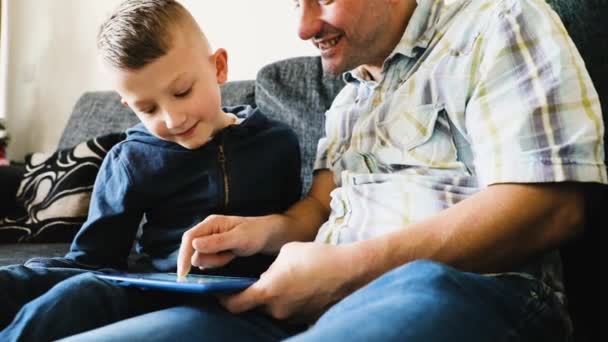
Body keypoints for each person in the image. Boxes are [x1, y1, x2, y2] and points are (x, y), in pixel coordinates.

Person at [60, 0, 605, 341]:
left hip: (462, 290)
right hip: (307, 298)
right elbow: (318, 207)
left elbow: (550, 210)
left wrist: (346, 268)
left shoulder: (501, 22)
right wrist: (260, 232)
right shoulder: (350, 96)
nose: (302, 26)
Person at [0, 0, 301, 340]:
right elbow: (94, 260)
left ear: (218, 67)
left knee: (74, 300)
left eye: (182, 92)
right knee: (72, 297)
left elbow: (298, 229)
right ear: (129, 106)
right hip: (149, 289)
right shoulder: (130, 159)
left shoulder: (278, 143)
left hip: (243, 295)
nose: (173, 119)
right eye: (148, 108)